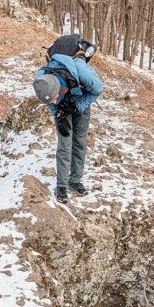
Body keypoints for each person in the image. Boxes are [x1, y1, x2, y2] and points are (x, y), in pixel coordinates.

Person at [32, 35, 104, 204]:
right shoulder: (40, 78)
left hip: (82, 102)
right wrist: (58, 112)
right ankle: (62, 185)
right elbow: (49, 101)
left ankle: (75, 181)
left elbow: (98, 90)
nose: (54, 101)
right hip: (64, 108)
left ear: (60, 86)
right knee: (64, 144)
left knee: (79, 142)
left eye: (56, 97)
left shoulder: (81, 71)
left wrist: (77, 106)